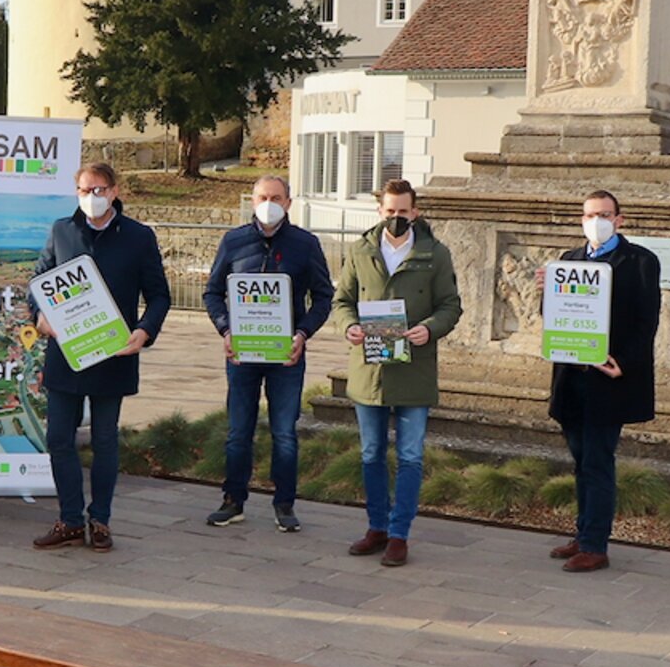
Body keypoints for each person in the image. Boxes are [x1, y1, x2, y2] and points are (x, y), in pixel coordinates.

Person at [27, 162, 169, 553]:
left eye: (100, 189)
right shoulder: (62, 231)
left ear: (115, 191)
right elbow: (38, 283)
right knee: (59, 439)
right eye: (85, 190)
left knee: (105, 441)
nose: (92, 197)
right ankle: (71, 520)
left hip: (114, 355)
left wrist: (145, 331)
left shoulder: (138, 237)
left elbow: (159, 294)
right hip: (67, 356)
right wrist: (39, 315)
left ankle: (100, 521)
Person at [331, 178, 462, 567]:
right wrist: (348, 326)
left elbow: (450, 305)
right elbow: (342, 300)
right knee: (371, 453)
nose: (396, 218)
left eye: (403, 211)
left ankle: (399, 533)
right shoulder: (361, 250)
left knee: (410, 455)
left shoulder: (435, 254)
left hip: (414, 368)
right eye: (390, 211)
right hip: (370, 367)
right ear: (379, 211)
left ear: (415, 212)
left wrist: (430, 329)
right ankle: (377, 527)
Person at [201, 174, 333, 533]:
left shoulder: (305, 244)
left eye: (276, 197)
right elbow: (212, 292)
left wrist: (303, 333)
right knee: (238, 432)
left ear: (288, 202)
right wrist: (225, 329)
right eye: (263, 197)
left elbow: (323, 297)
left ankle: (284, 504)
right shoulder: (234, 241)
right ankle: (233, 501)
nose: (269, 204)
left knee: (285, 433)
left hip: (286, 356)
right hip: (242, 354)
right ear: (253, 201)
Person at [545, 190, 662, 573]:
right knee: (581, 460)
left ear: (619, 219)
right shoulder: (569, 261)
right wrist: (547, 290)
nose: (597, 221)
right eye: (590, 215)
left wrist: (623, 363)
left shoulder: (640, 261)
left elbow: (647, 322)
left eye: (605, 214)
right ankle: (584, 533)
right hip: (571, 379)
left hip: (609, 381)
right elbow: (555, 317)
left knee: (598, 460)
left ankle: (596, 545)